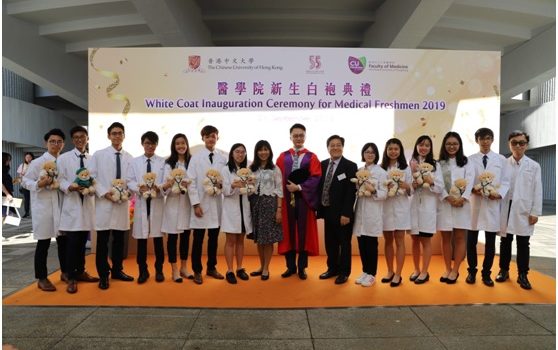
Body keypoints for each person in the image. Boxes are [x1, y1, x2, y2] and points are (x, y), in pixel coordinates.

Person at [90, 122, 135, 290]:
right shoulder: (99, 155)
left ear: (124, 136)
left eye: (120, 133)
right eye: (114, 133)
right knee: (102, 241)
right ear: (109, 136)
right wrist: (104, 193)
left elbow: (131, 179)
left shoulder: (129, 157)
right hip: (104, 202)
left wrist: (129, 192)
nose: (117, 136)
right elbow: (91, 177)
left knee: (119, 240)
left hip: (121, 203)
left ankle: (117, 270)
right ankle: (103, 275)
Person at [22, 129, 67, 292]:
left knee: (64, 243)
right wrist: (38, 185)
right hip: (44, 207)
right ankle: (42, 278)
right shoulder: (37, 163)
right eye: (52, 141)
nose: (56, 144)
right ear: (46, 143)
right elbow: (25, 181)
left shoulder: (64, 161)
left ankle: (66, 272)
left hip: (62, 207)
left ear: (63, 144)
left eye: (59, 141)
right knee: (43, 243)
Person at [57, 126, 100, 293]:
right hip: (72, 205)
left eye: (82, 136)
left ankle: (81, 271)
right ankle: (71, 276)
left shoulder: (92, 159)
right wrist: (71, 187)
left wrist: (92, 187)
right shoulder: (64, 158)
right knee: (72, 243)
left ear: (87, 138)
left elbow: (96, 178)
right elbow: (59, 180)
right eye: (76, 137)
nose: (79, 140)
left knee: (82, 242)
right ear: (72, 140)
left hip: (86, 204)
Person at [497, 131, 542, 290]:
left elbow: (538, 190)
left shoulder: (534, 166)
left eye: (521, 143)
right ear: (509, 144)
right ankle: (503, 270)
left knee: (523, 243)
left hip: (524, 208)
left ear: (526, 145)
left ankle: (523, 275)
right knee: (505, 241)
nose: (518, 146)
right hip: (506, 207)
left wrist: (535, 211)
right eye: (514, 142)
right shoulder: (503, 164)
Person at [276, 123, 321, 280]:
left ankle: (302, 268)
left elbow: (316, 177)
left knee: (303, 233)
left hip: (304, 201)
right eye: (295, 135)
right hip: (287, 201)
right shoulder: (282, 157)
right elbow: (277, 180)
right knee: (288, 233)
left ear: (305, 136)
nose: (298, 138)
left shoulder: (311, 157)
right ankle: (290, 267)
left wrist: (300, 187)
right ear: (290, 137)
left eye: (301, 135)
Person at [467, 127, 510, 286]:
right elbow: (467, 180)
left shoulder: (501, 160)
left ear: (492, 140)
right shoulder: (470, 160)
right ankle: (471, 272)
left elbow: (506, 181)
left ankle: (486, 274)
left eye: (488, 138)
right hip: (475, 204)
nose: (485, 141)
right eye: (481, 138)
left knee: (490, 242)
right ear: (477, 140)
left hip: (492, 203)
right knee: (470, 241)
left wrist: (498, 194)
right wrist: (473, 189)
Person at [187, 125, 227, 284]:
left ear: (218, 137)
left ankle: (211, 267)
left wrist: (222, 186)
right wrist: (195, 204)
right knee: (198, 239)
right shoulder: (196, 158)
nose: (211, 139)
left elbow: (226, 179)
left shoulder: (222, 158)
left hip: (216, 204)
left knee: (213, 238)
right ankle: (197, 270)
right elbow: (191, 182)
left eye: (213, 136)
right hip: (201, 204)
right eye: (208, 136)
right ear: (202, 138)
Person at [317, 135, 357, 284]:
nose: (335, 147)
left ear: (342, 147)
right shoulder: (322, 165)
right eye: (332, 145)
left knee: (344, 243)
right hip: (327, 211)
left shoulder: (350, 166)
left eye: (338, 145)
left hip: (343, 213)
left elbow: (350, 192)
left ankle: (344, 272)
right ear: (328, 148)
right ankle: (332, 268)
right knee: (330, 243)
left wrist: (346, 213)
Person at [127, 131, 166, 283]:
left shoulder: (163, 162)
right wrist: (139, 188)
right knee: (141, 241)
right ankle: (143, 271)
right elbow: (129, 180)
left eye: (153, 143)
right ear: (142, 144)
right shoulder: (135, 162)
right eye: (147, 143)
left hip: (156, 203)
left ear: (156, 145)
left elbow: (166, 181)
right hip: (142, 203)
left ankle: (159, 270)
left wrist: (159, 187)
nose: (150, 146)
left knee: (157, 240)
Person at [436, 132, 474, 284]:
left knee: (459, 238)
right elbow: (438, 182)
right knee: (445, 238)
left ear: (459, 145)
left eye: (455, 144)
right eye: (448, 144)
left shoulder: (466, 162)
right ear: (444, 146)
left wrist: (462, 198)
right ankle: (447, 268)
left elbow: (470, 181)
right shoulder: (439, 163)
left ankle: (456, 270)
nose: (452, 146)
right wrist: (447, 197)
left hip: (461, 205)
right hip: (445, 204)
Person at [409, 135, 443, 285]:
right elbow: (406, 187)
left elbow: (440, 187)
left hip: (428, 207)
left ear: (430, 148)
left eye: (427, 145)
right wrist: (413, 185)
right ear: (416, 146)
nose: (423, 148)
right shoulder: (410, 164)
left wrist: (430, 180)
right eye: (421, 144)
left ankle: (424, 271)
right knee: (414, 239)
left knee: (425, 240)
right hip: (413, 207)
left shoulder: (435, 165)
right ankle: (416, 269)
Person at [352, 143, 387, 287]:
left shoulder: (381, 172)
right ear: (363, 154)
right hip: (360, 212)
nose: (370, 154)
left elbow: (384, 194)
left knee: (371, 245)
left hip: (373, 213)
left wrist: (373, 190)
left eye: (372, 152)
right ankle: (365, 271)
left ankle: (372, 274)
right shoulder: (359, 171)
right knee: (362, 244)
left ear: (376, 154)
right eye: (367, 152)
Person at [161, 133, 193, 283]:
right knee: (172, 238)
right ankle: (174, 269)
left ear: (187, 145)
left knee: (186, 237)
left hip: (187, 204)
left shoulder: (192, 162)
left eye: (183, 143)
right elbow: (164, 187)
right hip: (173, 204)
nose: (181, 146)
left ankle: (184, 267)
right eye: (177, 144)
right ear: (174, 146)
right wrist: (170, 183)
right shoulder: (168, 164)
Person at [249, 140, 283, 281]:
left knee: (268, 239)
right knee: (259, 238)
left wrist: (279, 210)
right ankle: (261, 266)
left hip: (270, 205)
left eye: (266, 149)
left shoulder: (275, 169)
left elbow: (279, 190)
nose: (263, 152)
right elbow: (247, 187)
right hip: (255, 204)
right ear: (256, 152)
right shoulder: (251, 168)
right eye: (260, 150)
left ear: (270, 151)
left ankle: (266, 268)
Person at [380, 138, 412, 287]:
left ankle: (398, 274)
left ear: (400, 151)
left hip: (401, 208)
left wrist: (406, 186)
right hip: (386, 208)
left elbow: (412, 190)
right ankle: (390, 271)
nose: (393, 151)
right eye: (390, 149)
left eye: (396, 149)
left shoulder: (406, 168)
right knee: (388, 241)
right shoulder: (381, 168)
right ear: (386, 151)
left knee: (399, 241)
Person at [220, 143, 253, 284]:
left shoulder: (247, 170)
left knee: (240, 241)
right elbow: (224, 191)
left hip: (244, 208)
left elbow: (251, 191)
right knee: (230, 241)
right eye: (237, 152)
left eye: (243, 152)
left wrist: (250, 184)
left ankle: (239, 268)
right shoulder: (225, 169)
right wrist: (233, 185)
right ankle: (229, 270)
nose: (240, 154)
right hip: (231, 209)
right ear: (232, 153)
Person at [16, 152, 34, 217]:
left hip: (33, 184)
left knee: (34, 199)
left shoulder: (35, 164)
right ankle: (27, 212)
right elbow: (20, 175)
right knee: (26, 199)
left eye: (30, 157)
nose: (28, 159)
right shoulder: (22, 165)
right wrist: (22, 174)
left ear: (32, 158)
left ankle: (34, 213)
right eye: (27, 157)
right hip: (25, 185)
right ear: (25, 158)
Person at [2, 152, 14, 219]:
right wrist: (7, 194)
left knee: (7, 217)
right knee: (4, 217)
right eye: (8, 159)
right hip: (4, 196)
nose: (9, 161)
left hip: (5, 195)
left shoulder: (5, 169)